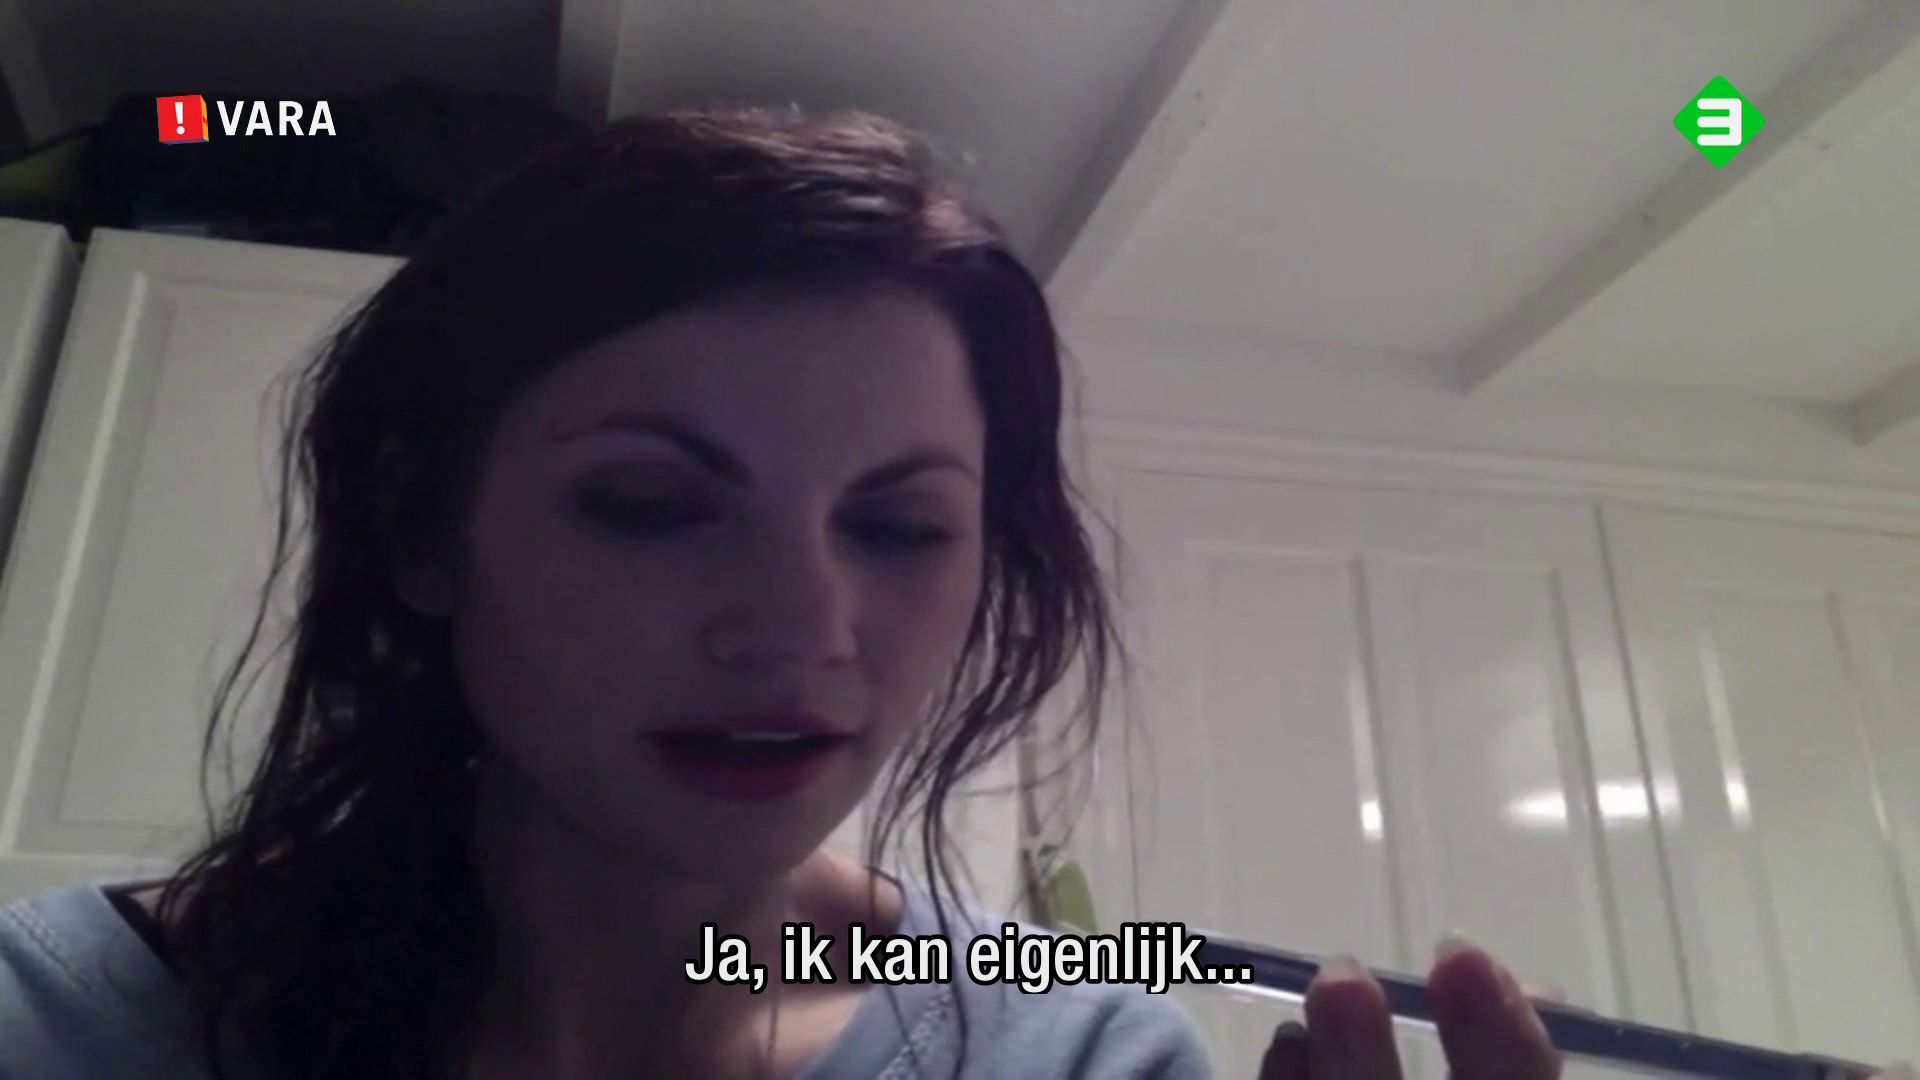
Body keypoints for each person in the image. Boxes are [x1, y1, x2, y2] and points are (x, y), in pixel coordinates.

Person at [0, 105, 1888, 1080]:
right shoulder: (56, 1023)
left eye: (902, 527)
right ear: (425, 532)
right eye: (652, 504)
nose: (803, 626)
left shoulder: (1084, 1048)